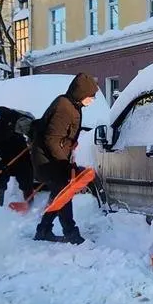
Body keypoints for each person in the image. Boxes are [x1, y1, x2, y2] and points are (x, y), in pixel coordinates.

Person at [32, 73, 100, 243]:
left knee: (59, 195)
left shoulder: (73, 105)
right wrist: (64, 164)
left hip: (55, 157)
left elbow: (64, 134)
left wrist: (72, 142)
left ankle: (43, 230)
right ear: (80, 93)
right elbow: (52, 139)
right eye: (91, 96)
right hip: (48, 159)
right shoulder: (64, 107)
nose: (92, 100)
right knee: (64, 194)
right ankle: (71, 234)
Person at [0, 104, 35, 207]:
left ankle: (30, 204)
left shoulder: (9, 113)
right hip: (1, 154)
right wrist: (0, 161)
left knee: (26, 177)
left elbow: (30, 116)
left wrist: (31, 130)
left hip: (19, 149)